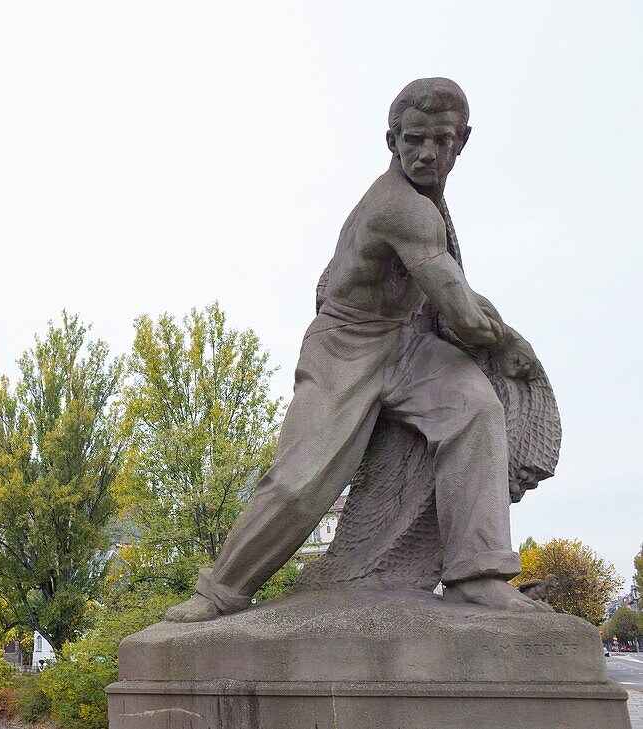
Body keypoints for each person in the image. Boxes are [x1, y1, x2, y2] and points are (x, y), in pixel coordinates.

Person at [167, 78, 551, 623]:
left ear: (462, 142)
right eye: (414, 139)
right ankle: (220, 592)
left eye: (441, 141)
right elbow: (461, 310)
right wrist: (510, 341)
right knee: (301, 482)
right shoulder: (402, 208)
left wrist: (494, 333)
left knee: (475, 407)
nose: (427, 153)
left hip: (405, 343)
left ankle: (478, 575)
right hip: (345, 347)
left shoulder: (430, 204)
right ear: (391, 140)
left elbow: (449, 291)